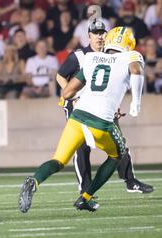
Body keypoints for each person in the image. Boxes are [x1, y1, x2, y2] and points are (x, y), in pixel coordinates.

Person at [19, 26, 146, 213]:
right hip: (101, 122)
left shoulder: (91, 58)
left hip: (77, 117)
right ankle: (85, 197)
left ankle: (34, 180)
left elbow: (67, 92)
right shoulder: (131, 56)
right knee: (117, 155)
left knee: (58, 160)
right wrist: (136, 103)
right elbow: (136, 71)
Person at [56, 19, 153, 194]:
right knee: (81, 147)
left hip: (102, 106)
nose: (100, 37)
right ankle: (85, 188)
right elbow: (60, 76)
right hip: (79, 105)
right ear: (89, 36)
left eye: (102, 33)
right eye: (96, 33)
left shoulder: (111, 54)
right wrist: (74, 97)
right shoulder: (79, 56)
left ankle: (130, 180)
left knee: (118, 141)